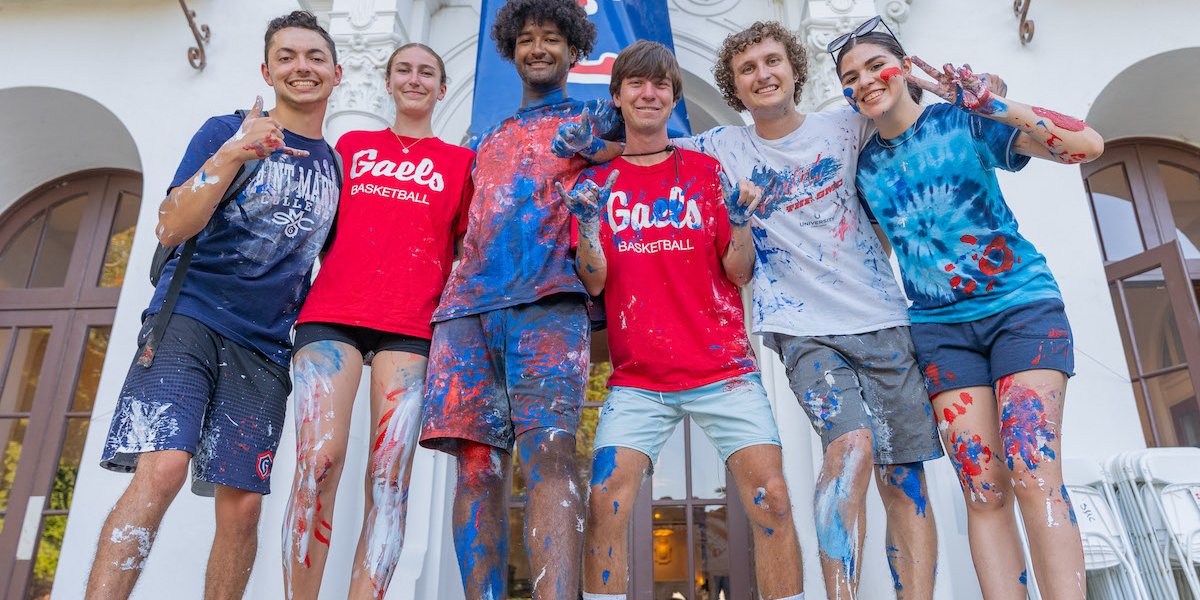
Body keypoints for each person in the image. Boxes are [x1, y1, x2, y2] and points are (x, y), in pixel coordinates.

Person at [835, 18, 1103, 599]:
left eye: (875, 66)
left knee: (1035, 475)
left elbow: (1087, 146)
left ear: (904, 68)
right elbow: (872, 260)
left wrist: (994, 103)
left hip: (1021, 311)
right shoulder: (866, 170)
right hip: (940, 334)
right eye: (849, 78)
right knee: (983, 491)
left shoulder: (963, 121)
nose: (864, 82)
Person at [86, 11, 341, 600]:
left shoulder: (335, 167)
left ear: (335, 71)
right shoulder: (225, 129)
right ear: (267, 70)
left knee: (244, 505)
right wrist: (232, 156)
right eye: (287, 56)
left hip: (267, 345)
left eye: (314, 57)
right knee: (166, 467)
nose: (301, 66)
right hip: (190, 316)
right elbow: (170, 227)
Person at [562, 40, 806, 600]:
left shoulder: (705, 172)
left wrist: (740, 221)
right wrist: (592, 228)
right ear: (618, 96)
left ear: (673, 97)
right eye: (637, 84)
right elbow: (594, 282)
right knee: (605, 501)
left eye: (661, 85)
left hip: (723, 370)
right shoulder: (598, 184)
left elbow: (738, 271)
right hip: (637, 380)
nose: (650, 94)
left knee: (772, 495)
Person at [417, 0, 619, 597]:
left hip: (550, 306)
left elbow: (644, 144)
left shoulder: (595, 119)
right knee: (475, 471)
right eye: (527, 39)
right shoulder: (484, 138)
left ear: (573, 49)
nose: (538, 48)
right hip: (465, 314)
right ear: (510, 49)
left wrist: (603, 145)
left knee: (551, 458)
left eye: (552, 38)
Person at [279, 43, 473, 600]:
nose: (414, 80)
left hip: (411, 325)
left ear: (441, 88)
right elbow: (318, 231)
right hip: (332, 314)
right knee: (317, 463)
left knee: (389, 478)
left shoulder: (461, 164)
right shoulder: (352, 147)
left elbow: (462, 251)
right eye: (404, 70)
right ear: (388, 83)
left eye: (427, 73)